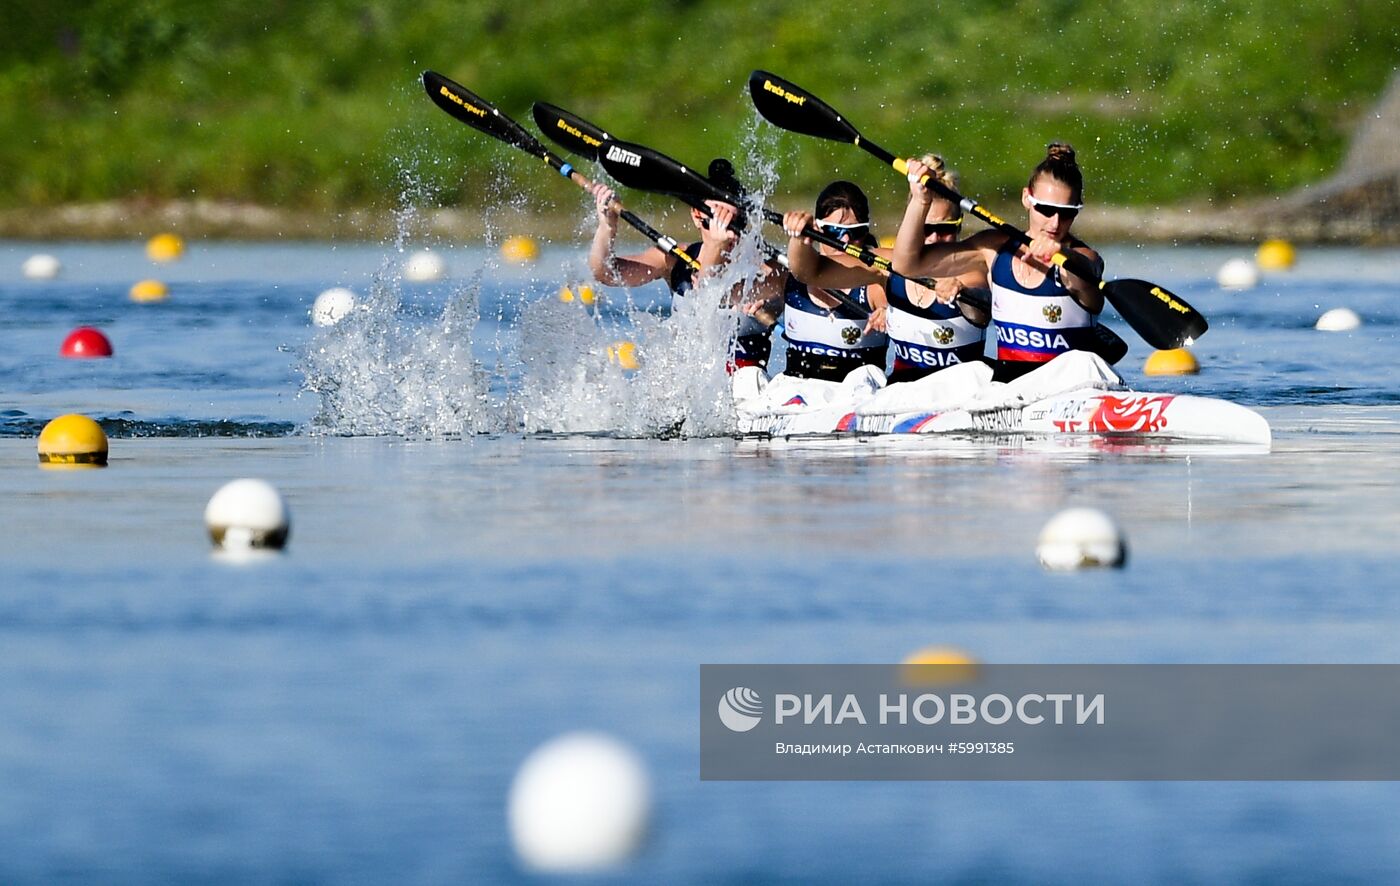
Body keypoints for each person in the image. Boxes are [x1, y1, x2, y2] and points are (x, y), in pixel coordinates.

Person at [892, 143, 1104, 381]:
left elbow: (1086, 271)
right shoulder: (992, 249)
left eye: (1067, 212)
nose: (1055, 223)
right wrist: (920, 200)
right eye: (1045, 209)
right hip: (1010, 393)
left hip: (1070, 391)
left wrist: (1062, 255)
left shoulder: (1084, 258)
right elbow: (905, 265)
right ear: (1027, 198)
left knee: (1087, 362)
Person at [783, 156, 988, 384]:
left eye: (944, 229)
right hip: (901, 396)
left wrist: (963, 292)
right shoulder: (886, 266)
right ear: (912, 223)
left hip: (958, 396)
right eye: (926, 228)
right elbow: (809, 273)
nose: (933, 238)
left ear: (959, 225)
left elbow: (980, 310)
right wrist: (799, 238)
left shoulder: (972, 270)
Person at [586, 160, 778, 370]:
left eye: (734, 224)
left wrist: (716, 247)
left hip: (743, 388)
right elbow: (605, 272)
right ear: (696, 216)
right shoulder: (675, 259)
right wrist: (607, 226)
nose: (727, 234)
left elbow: (710, 297)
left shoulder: (764, 271)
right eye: (713, 222)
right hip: (688, 383)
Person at [760, 181, 889, 382]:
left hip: (856, 398)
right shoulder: (786, 275)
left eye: (854, 232)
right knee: (748, 378)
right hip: (798, 394)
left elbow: (898, 304)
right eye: (835, 232)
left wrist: (889, 312)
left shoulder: (875, 280)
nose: (844, 240)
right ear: (817, 229)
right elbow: (727, 295)